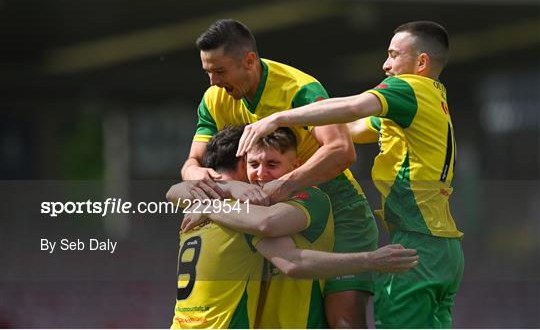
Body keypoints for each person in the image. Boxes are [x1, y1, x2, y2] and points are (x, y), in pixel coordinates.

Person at [236, 21, 465, 328]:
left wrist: (279, 117)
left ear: (421, 62)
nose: (386, 65)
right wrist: (309, 136)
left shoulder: (408, 87)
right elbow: (353, 129)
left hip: (417, 244)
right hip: (446, 252)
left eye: (394, 55)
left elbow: (353, 107)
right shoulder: (430, 102)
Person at [180, 19, 379, 327]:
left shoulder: (299, 89)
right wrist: (215, 190)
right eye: (207, 71)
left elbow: (341, 149)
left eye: (219, 71)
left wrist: (280, 186)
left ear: (249, 61)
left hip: (337, 208)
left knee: (343, 322)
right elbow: (192, 165)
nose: (212, 82)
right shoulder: (214, 99)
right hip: (270, 207)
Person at [170, 126, 418, 328]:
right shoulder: (241, 213)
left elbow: (270, 228)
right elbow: (288, 258)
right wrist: (228, 191)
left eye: (272, 164)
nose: (261, 173)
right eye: (253, 164)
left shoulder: (311, 198)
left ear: (296, 165)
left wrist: (211, 206)